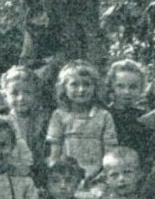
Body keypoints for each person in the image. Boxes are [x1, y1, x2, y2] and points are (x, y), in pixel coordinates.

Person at [47, 60, 118, 188]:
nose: (81, 90)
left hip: (98, 177)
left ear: (95, 87)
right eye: (74, 84)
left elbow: (110, 152)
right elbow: (55, 154)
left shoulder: (104, 116)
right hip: (67, 177)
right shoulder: (59, 116)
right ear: (64, 88)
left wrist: (101, 176)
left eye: (87, 84)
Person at [105, 59, 155, 174]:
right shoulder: (105, 115)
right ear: (112, 87)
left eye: (133, 87)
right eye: (120, 86)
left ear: (141, 89)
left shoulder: (145, 117)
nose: (127, 92)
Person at [1, 66, 49, 166]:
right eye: (14, 93)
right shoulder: (3, 122)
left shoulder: (43, 121)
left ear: (35, 94)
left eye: (27, 92)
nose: (21, 98)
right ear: (5, 96)